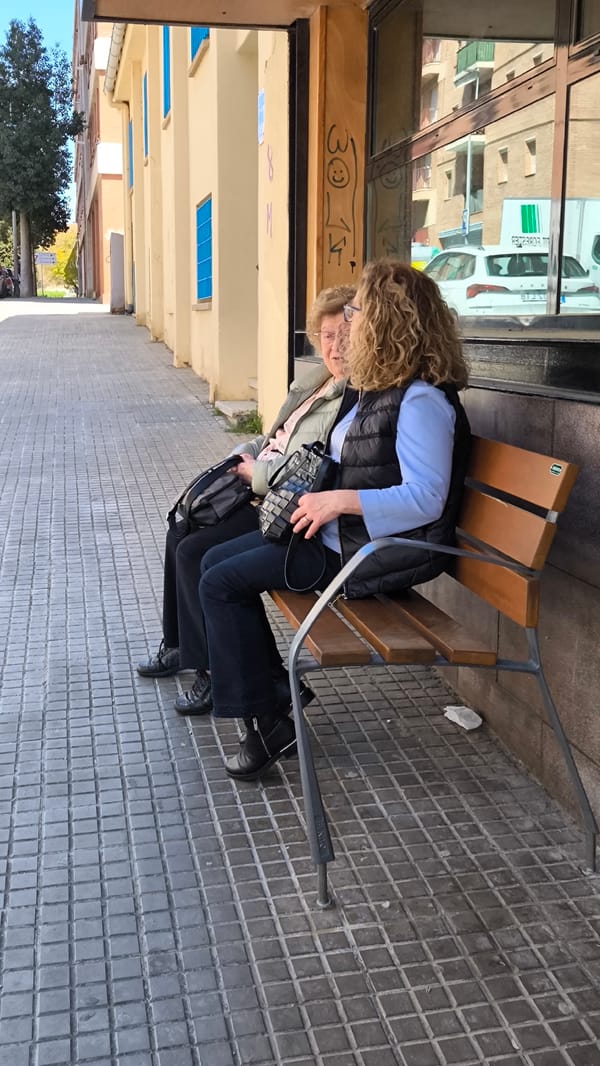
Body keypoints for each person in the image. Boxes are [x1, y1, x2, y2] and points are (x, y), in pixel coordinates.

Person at [198, 259, 471, 781]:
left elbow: (427, 500)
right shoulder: (380, 389)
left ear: (388, 320)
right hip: (335, 538)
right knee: (214, 562)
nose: (349, 321)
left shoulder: (421, 400)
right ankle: (273, 700)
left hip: (363, 554)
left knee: (220, 582)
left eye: (356, 310)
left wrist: (338, 501)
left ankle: (268, 718)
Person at [137, 284, 357, 716]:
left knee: (197, 551)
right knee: (180, 527)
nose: (335, 345)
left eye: (344, 335)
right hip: (263, 490)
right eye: (327, 336)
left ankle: (213, 671)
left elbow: (314, 464)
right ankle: (183, 646)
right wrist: (244, 455)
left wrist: (253, 472)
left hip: (281, 504)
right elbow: (276, 436)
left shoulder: (347, 398)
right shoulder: (315, 384)